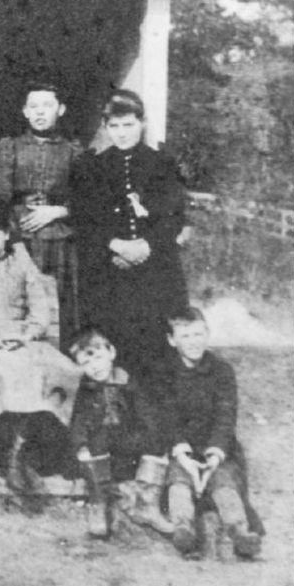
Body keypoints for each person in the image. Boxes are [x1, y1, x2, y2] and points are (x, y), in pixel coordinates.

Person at [0, 208, 83, 495]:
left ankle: (22, 450)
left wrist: (24, 335)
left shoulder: (23, 266)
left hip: (21, 337)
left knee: (52, 369)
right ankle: (9, 453)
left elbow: (39, 312)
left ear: (6, 235)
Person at [69, 90, 188, 377]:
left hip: (154, 270)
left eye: (128, 125)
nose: (121, 133)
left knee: (156, 346)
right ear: (106, 126)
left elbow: (174, 217)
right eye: (114, 126)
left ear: (142, 123)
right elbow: (84, 219)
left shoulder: (163, 164)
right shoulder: (91, 167)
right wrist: (116, 246)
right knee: (112, 342)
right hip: (110, 271)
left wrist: (146, 246)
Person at [148, 308, 263, 559]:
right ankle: (183, 528)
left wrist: (215, 455)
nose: (194, 341)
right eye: (186, 336)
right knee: (179, 483)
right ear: (172, 340)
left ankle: (239, 531)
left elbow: (225, 416)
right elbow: (167, 419)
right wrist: (183, 455)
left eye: (199, 334)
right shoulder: (163, 373)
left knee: (224, 483)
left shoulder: (222, 371)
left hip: (215, 448)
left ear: (208, 334)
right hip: (182, 450)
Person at [0, 81, 83, 339]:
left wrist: (57, 211)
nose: (40, 112)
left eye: (47, 105)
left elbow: (87, 197)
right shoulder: (11, 147)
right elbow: (0, 200)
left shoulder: (73, 150)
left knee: (60, 307)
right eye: (34, 106)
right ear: (25, 111)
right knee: (20, 303)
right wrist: (14, 238)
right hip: (21, 239)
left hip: (61, 241)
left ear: (61, 109)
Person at [65, 326, 168, 540]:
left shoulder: (128, 382)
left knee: (156, 446)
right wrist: (80, 445)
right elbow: (79, 421)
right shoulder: (86, 390)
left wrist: (155, 438)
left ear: (112, 353)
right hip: (101, 444)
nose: (95, 367)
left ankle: (148, 504)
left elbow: (146, 411)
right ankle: (98, 503)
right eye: (86, 363)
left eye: (99, 357)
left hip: (127, 439)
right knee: (93, 448)